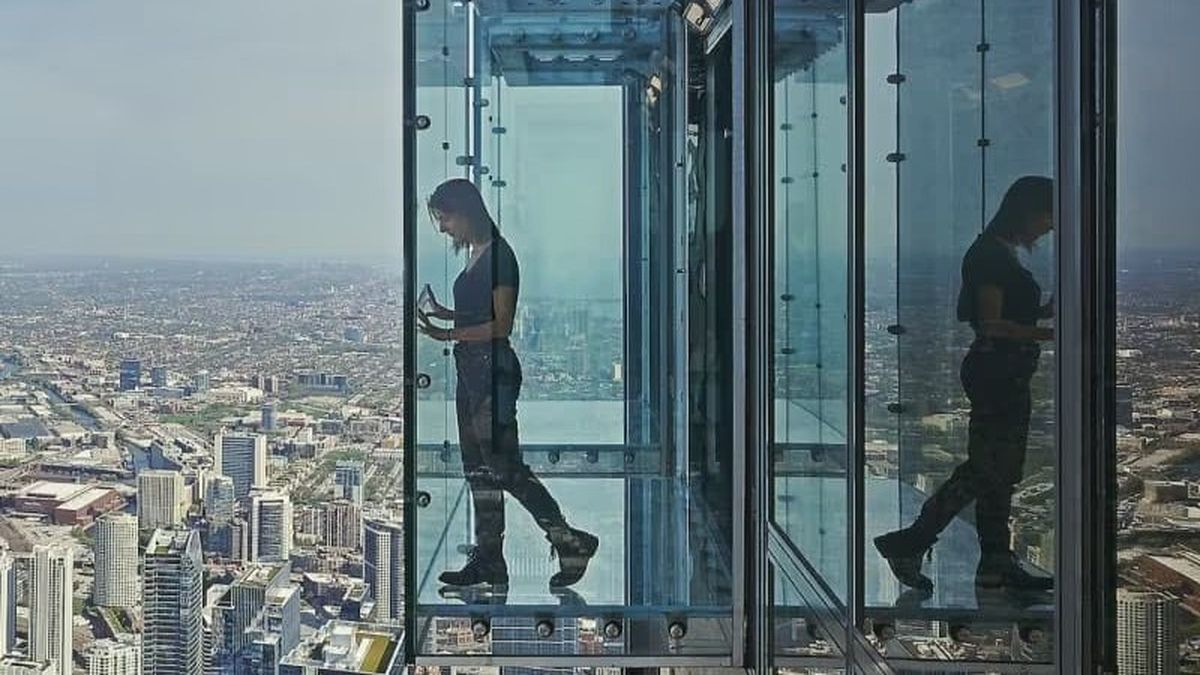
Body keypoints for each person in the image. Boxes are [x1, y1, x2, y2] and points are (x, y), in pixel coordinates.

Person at [875, 176, 1055, 593]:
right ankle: (914, 541)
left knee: (999, 472)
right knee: (986, 469)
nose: (1048, 227)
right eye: (1047, 216)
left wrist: (1042, 314)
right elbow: (991, 323)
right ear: (1027, 212)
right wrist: (1048, 334)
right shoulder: (991, 255)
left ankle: (995, 563)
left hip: (1004, 374)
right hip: (998, 375)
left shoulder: (997, 252)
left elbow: (1005, 316)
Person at [417, 178, 599, 589]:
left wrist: (448, 335)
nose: (444, 227)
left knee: (505, 469)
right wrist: (446, 314)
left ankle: (569, 540)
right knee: (480, 471)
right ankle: (489, 562)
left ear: (465, 211)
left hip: (492, 375)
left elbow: (501, 324)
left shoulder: (501, 256)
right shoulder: (477, 253)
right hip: (471, 375)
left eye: (445, 218)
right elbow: (478, 312)